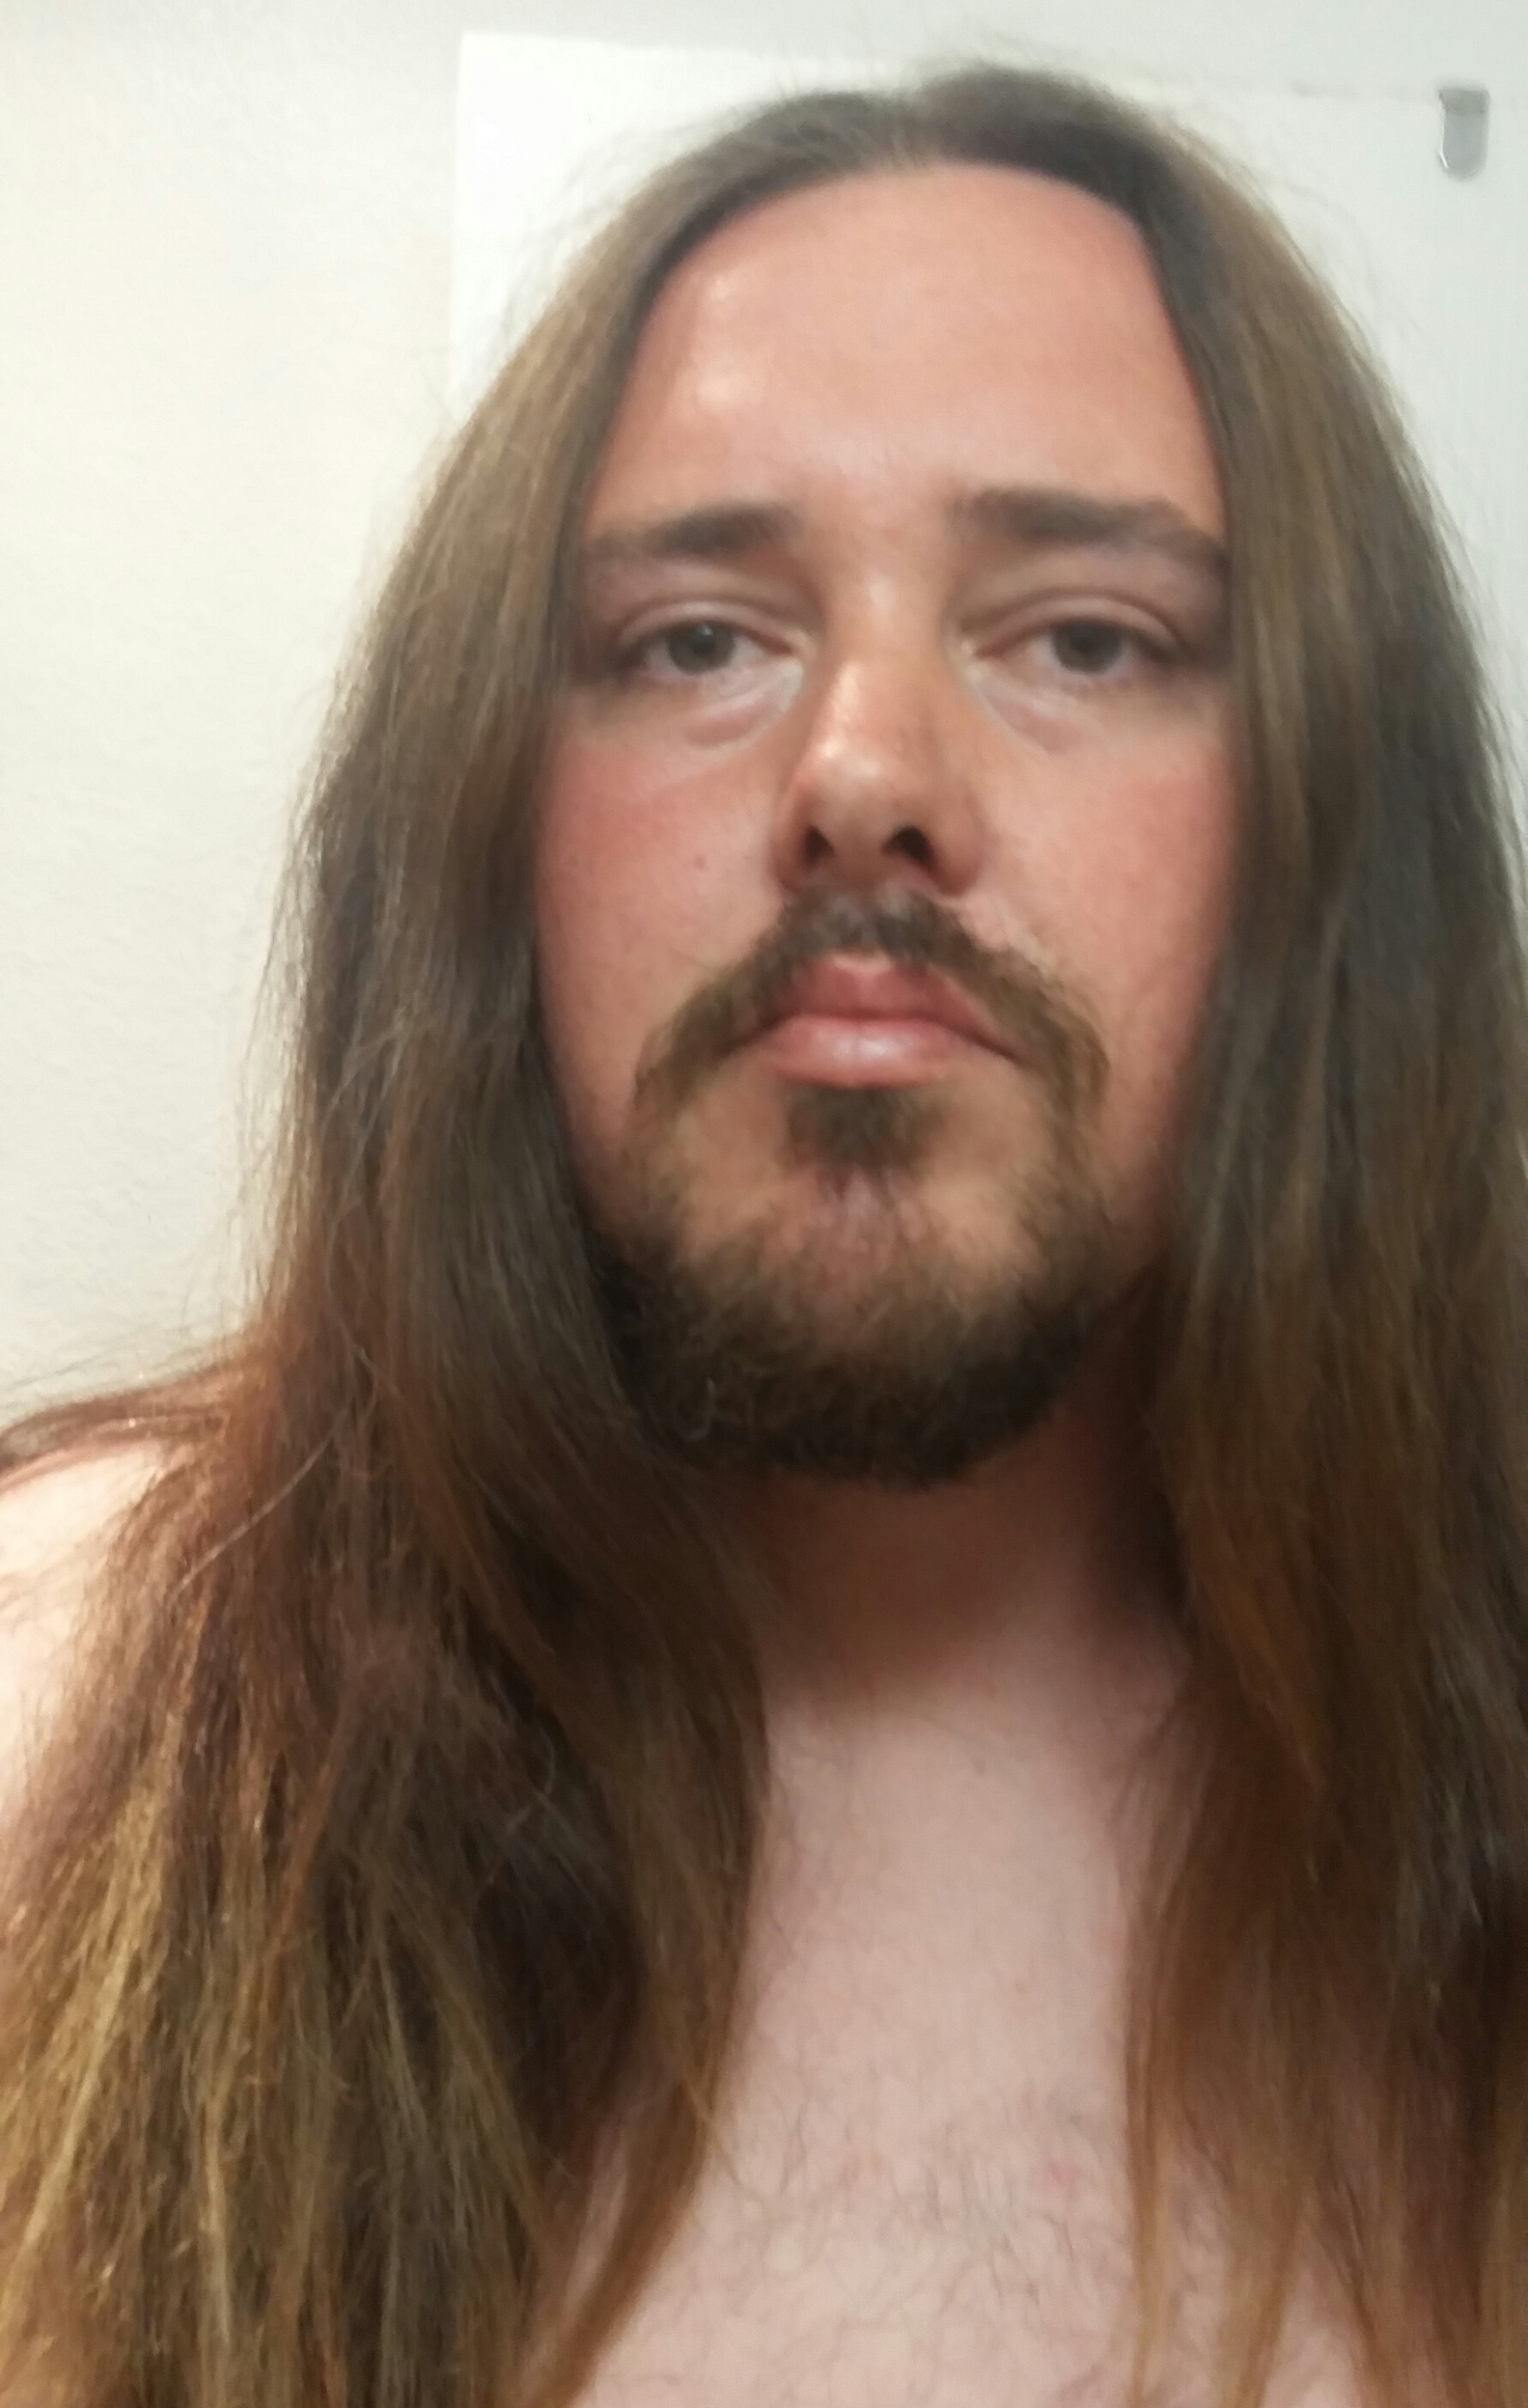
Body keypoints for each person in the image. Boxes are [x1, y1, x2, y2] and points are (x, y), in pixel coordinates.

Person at [0, 59, 1525, 2408]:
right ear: (488, 822)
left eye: (1087, 638)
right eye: (698, 640)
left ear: (1326, 832)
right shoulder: (54, 1720)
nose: (867, 779)